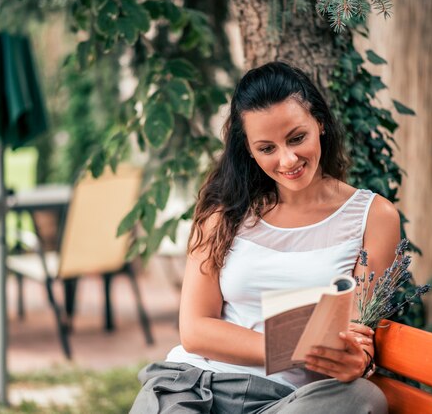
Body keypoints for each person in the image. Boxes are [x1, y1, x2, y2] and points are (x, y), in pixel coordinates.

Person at [130, 62, 399, 413]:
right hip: (195, 387)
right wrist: (295, 347)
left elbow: (357, 331)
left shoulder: (373, 217)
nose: (288, 160)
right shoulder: (224, 213)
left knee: (364, 397)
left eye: (297, 138)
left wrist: (355, 361)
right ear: (249, 150)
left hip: (287, 402)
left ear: (319, 122)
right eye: (267, 148)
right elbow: (195, 331)